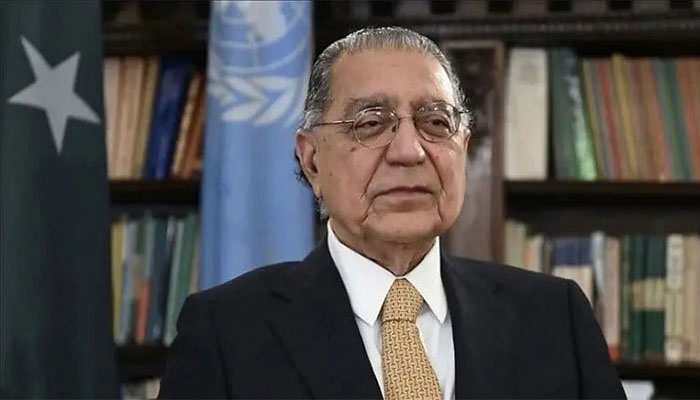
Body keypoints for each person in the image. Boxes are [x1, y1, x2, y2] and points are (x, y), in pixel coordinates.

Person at [158, 26, 625, 400]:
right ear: (312, 159)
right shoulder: (226, 332)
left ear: (463, 149)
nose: (409, 151)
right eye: (370, 123)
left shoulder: (555, 318)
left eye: (435, 122)